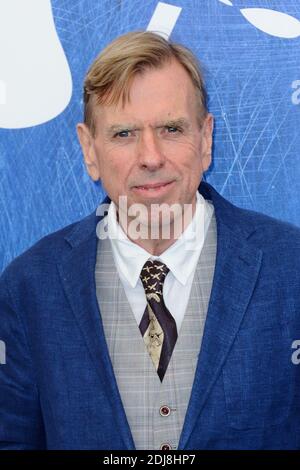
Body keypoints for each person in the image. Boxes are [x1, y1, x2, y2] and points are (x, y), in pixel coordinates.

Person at [0, 31, 300, 451]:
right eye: (124, 134)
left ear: (206, 139)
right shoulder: (29, 287)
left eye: (171, 128)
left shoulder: (291, 269)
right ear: (89, 150)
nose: (151, 156)